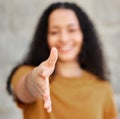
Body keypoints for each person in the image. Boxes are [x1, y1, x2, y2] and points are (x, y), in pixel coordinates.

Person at [6, 2, 118, 119]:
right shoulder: (27, 73)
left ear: (83, 35)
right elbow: (26, 88)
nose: (64, 39)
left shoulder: (102, 87)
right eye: (54, 32)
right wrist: (35, 80)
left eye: (72, 30)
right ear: (45, 38)